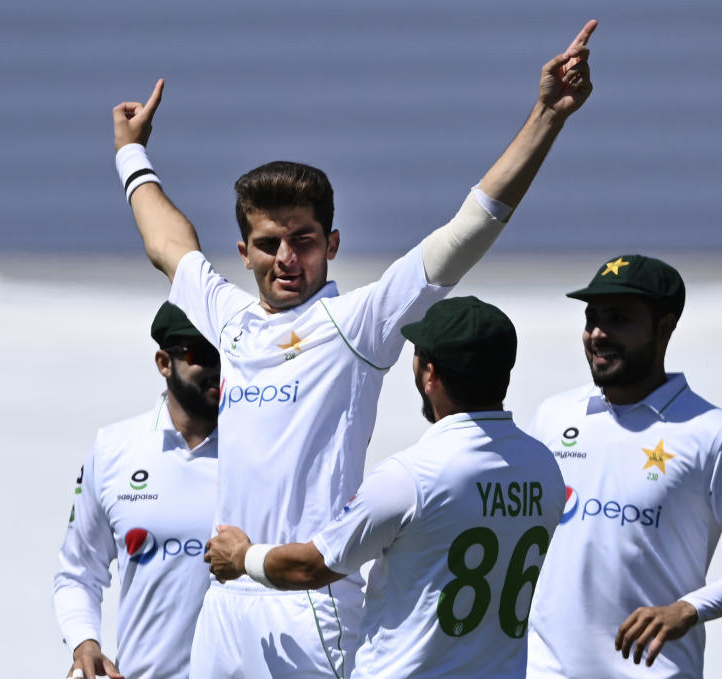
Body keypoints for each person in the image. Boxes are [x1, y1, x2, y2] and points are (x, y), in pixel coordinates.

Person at [111, 20, 596, 678]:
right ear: (244, 252)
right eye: (269, 242)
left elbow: (467, 230)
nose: (287, 258)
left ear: (331, 244)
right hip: (226, 600)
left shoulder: (355, 322)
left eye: (304, 239)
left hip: (308, 598)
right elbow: (167, 244)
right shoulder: (227, 317)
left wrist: (546, 116)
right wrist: (132, 155)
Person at [206, 296, 566, 679]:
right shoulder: (545, 468)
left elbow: (311, 568)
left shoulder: (410, 476)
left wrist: (243, 557)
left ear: (430, 373)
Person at [525, 254, 722, 679]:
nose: (598, 334)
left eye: (618, 319)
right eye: (592, 318)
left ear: (664, 327)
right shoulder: (553, 416)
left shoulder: (713, 433)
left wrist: (689, 608)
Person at [52, 302, 220, 679]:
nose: (219, 369)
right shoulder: (114, 449)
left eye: (228, 353)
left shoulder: (263, 452)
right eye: (204, 354)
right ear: (164, 362)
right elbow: (78, 573)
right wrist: (85, 644)